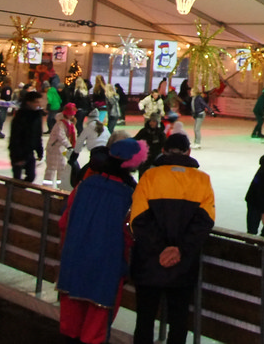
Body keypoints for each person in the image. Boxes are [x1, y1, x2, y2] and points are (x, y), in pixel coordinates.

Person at [57, 137, 147, 344]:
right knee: (95, 328)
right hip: (107, 266)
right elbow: (130, 235)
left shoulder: (84, 185)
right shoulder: (129, 196)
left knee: (70, 323)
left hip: (74, 260)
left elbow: (64, 221)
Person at [130, 133, 215, 344]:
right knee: (179, 319)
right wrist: (179, 250)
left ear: (164, 151)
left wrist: (160, 249)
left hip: (149, 262)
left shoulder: (149, 177)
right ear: (188, 151)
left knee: (145, 319)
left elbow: (138, 220)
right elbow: (205, 222)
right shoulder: (202, 180)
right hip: (183, 264)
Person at [9, 89, 46, 182]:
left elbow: (38, 136)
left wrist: (40, 151)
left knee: (31, 177)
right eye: (36, 102)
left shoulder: (37, 116)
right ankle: (15, 190)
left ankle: (19, 189)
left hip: (29, 152)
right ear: (28, 102)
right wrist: (18, 157)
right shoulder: (20, 116)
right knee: (17, 179)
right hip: (18, 152)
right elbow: (15, 137)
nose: (38, 104)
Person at [44, 102, 78, 189]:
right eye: (71, 114)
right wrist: (69, 146)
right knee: (51, 168)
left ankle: (60, 186)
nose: (72, 116)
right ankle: (47, 187)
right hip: (54, 148)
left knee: (62, 168)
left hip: (62, 149)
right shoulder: (60, 123)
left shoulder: (70, 123)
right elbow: (61, 136)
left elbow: (73, 136)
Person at [135, 114, 166, 178]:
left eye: (154, 121)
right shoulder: (144, 131)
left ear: (157, 123)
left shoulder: (161, 133)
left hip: (156, 158)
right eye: (150, 121)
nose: (151, 123)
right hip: (144, 157)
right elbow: (136, 140)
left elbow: (165, 145)